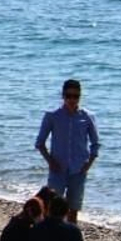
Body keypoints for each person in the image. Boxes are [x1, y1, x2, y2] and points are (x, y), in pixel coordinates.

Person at [36, 79, 100, 223]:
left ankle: (69, 240)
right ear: (63, 96)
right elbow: (40, 143)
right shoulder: (52, 116)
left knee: (73, 211)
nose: (72, 100)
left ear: (80, 97)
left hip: (78, 170)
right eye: (68, 96)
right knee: (51, 209)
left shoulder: (88, 117)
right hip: (57, 169)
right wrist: (50, 161)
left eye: (75, 96)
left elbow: (95, 144)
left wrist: (88, 165)